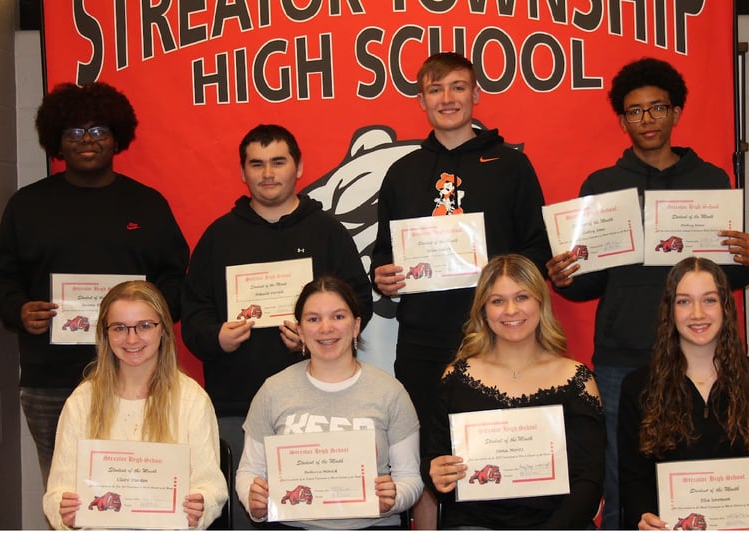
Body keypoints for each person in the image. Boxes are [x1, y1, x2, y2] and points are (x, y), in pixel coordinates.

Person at [545, 57, 749, 529]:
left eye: (657, 108)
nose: (647, 120)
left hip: (703, 358)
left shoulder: (712, 182)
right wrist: (564, 277)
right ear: (622, 120)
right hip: (623, 362)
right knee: (624, 483)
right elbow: (588, 284)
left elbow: (728, 278)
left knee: (708, 474)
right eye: (635, 112)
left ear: (676, 112)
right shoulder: (602, 187)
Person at [370, 51, 552, 527]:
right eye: (435, 89)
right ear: (420, 101)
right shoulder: (402, 172)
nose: (446, 98)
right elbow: (383, 257)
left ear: (476, 94)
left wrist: (508, 289)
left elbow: (538, 250)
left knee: (497, 448)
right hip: (423, 339)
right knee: (427, 454)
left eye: (456, 87)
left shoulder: (512, 166)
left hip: (499, 339)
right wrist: (382, 277)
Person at [0, 82, 189, 487]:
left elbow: (179, 279)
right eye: (74, 132)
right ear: (57, 141)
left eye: (98, 130)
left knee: (137, 486)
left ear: (117, 137)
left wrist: (152, 316)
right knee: (67, 494)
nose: (87, 141)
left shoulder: (147, 204)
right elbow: (0, 275)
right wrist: (20, 310)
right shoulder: (28, 205)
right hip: (51, 380)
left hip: (138, 376)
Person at [181, 124, 372, 528]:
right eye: (257, 164)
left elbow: (360, 305)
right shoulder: (218, 237)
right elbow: (192, 315)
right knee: (246, 516)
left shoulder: (329, 233)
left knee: (314, 516)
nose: (268, 173)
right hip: (236, 406)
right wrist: (216, 337)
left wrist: (315, 338)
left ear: (299, 167)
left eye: (278, 162)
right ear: (243, 172)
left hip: (319, 409)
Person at [424, 254, 605, 529]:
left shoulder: (576, 379)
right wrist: (436, 473)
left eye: (522, 297)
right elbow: (435, 461)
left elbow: (589, 482)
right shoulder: (456, 378)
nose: (511, 310)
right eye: (498, 301)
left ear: (540, 302)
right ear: (483, 310)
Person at [235, 275, 422, 529]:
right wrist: (254, 501)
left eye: (338, 316)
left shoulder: (391, 392)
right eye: (313, 319)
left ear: (356, 325)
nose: (326, 328)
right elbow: (249, 472)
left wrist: (394, 497)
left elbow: (410, 478)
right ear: (300, 330)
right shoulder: (273, 391)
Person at [42, 281, 227, 529]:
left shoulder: (191, 400)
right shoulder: (82, 401)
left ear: (163, 330)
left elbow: (212, 487)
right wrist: (64, 512)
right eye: (119, 327)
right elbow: (57, 491)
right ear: (105, 334)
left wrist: (200, 505)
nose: (131, 338)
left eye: (145, 326)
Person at [618, 257, 749, 530]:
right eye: (684, 301)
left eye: (709, 300)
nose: (697, 314)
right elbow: (634, 477)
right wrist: (643, 517)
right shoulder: (639, 386)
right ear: (669, 310)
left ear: (725, 307)